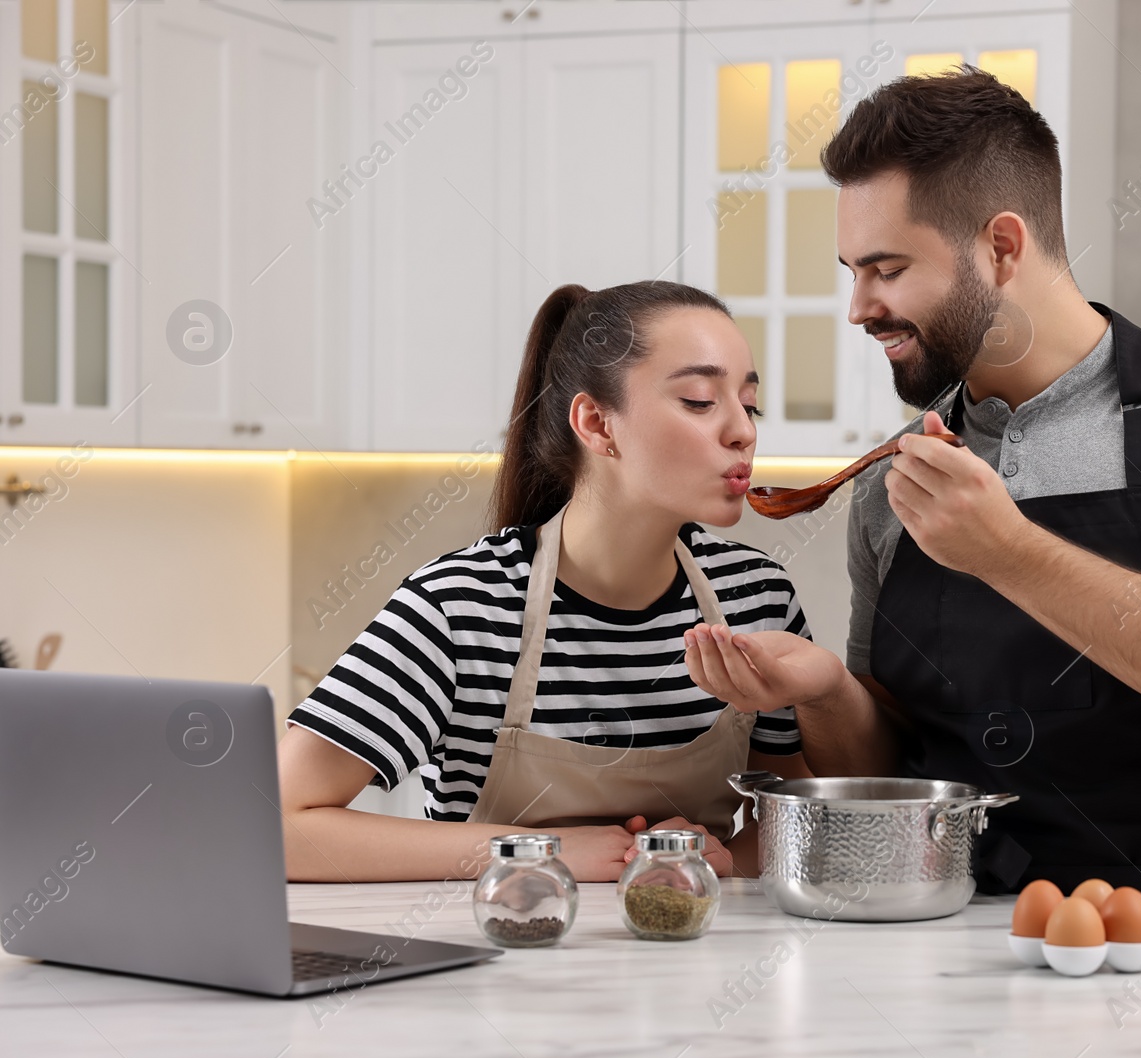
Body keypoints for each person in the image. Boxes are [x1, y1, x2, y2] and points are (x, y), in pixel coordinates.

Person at [684, 67, 1141, 899]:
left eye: (886, 269)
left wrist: (1007, 551)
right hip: (934, 945)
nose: (858, 307)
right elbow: (888, 766)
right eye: (852, 270)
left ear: (1002, 246)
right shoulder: (900, 469)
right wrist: (824, 690)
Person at [279, 281, 812, 883]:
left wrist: (724, 858)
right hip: (501, 959)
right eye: (698, 400)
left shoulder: (756, 597)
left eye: (750, 404)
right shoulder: (460, 606)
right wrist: (538, 852)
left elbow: (798, 826)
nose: (743, 431)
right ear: (597, 424)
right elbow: (279, 823)